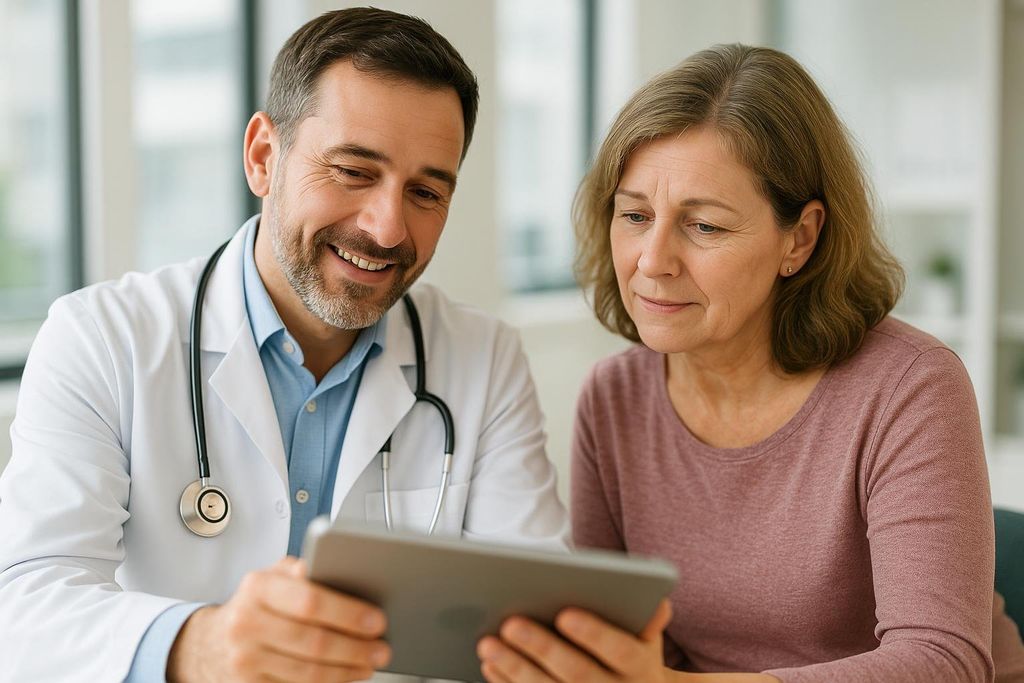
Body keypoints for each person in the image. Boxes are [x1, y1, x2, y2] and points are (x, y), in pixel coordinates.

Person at [0, 8, 568, 682]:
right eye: (354, 172)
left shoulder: (485, 358)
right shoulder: (102, 338)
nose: (387, 227)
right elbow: (22, 609)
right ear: (264, 157)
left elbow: (530, 628)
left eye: (424, 191)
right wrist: (198, 644)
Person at [476, 44, 1024, 683]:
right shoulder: (614, 395)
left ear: (800, 237)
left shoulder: (910, 387)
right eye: (635, 215)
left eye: (703, 226)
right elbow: (618, 636)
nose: (652, 260)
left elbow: (942, 662)